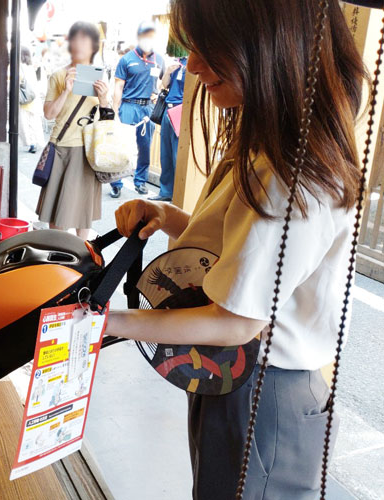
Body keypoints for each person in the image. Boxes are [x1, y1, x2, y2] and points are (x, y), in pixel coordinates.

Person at [105, 0, 364, 498]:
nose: (194, 67)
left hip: (263, 390)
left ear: (270, 45)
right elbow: (240, 254)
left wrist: (103, 321)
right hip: (237, 377)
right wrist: (168, 218)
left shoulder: (292, 170)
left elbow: (237, 320)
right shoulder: (266, 139)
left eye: (208, 48)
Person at [37, 21, 113, 240]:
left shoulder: (99, 77)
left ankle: (80, 256)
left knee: (83, 213)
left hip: (89, 151)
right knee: (56, 213)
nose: (80, 46)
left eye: (86, 41)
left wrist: (104, 99)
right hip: (62, 148)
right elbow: (49, 114)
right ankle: (56, 252)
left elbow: (107, 117)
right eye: (76, 40)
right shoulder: (59, 76)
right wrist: (66, 91)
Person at [110, 21, 164, 198]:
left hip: (147, 108)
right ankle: (116, 183)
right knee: (122, 146)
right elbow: (118, 87)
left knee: (145, 147)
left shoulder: (159, 60)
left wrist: (158, 91)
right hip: (128, 106)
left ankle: (140, 181)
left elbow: (164, 82)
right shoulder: (127, 59)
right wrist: (114, 112)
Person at [150, 53, 188, 202]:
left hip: (181, 110)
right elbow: (163, 85)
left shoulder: (194, 63)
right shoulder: (176, 61)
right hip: (168, 108)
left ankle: (179, 194)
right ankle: (165, 191)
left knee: (177, 155)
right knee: (165, 153)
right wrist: (168, 72)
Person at [19, 46, 45, 154]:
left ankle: (31, 144)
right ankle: (37, 143)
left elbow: (20, 80)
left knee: (25, 123)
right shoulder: (31, 66)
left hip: (24, 98)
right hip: (33, 98)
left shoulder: (20, 66)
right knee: (34, 123)